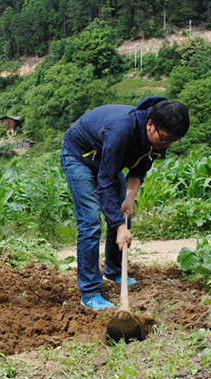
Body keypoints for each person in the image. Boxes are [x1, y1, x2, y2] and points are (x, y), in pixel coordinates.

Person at [60, 97, 190, 310]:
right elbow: (105, 181)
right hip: (80, 156)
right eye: (165, 139)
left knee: (121, 212)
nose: (166, 145)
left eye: (172, 141)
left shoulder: (158, 137)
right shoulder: (121, 130)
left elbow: (139, 169)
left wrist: (129, 199)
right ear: (150, 125)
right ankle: (90, 292)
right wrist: (120, 227)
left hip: (107, 160)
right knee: (91, 221)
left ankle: (113, 271)